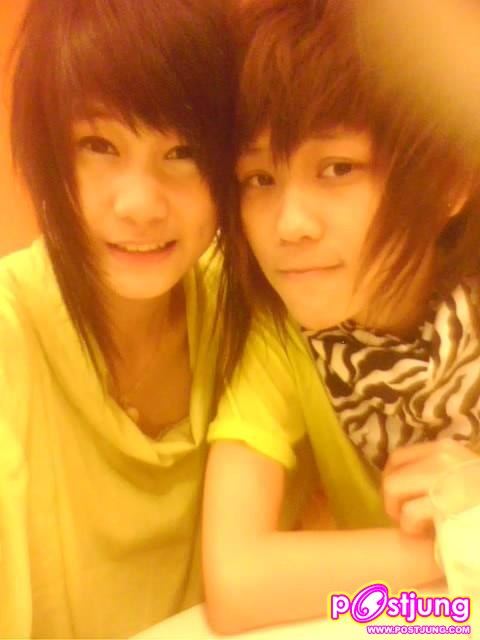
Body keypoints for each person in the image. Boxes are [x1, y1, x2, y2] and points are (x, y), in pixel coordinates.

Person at [202, 0, 480, 633]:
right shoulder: (284, 338)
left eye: (337, 169)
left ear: (449, 182)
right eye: (259, 179)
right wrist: (459, 543)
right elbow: (236, 583)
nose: (289, 224)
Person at [1, 0, 237, 636]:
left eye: (183, 151)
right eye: (99, 146)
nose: (139, 205)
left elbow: (415, 610)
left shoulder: (245, 315)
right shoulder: (11, 337)